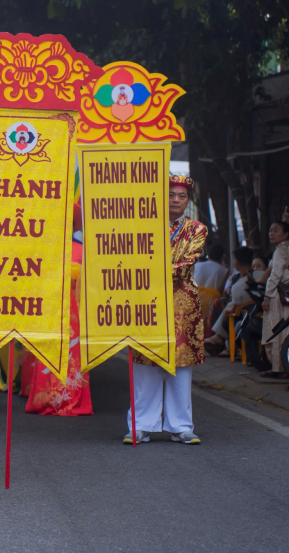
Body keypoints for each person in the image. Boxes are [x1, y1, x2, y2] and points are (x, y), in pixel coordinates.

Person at [126, 175, 207, 445]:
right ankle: (139, 425)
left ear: (188, 200)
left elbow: (187, 263)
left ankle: (182, 426)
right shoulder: (144, 226)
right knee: (145, 364)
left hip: (182, 304)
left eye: (181, 196)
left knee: (180, 367)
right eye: (171, 195)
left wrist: (150, 269)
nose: (175, 200)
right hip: (147, 301)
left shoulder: (197, 229)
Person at [25, 203, 93, 416]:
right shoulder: (43, 249)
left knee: (73, 355)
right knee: (47, 352)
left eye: (69, 222)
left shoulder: (83, 250)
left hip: (75, 312)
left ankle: (71, 397)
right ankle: (45, 397)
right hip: (49, 308)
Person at [205, 247, 262, 356]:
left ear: (236, 262)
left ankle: (221, 340)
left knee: (228, 313)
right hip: (260, 313)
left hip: (244, 317)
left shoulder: (238, 285)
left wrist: (227, 310)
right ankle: (221, 341)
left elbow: (234, 308)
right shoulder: (262, 275)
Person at [261, 221, 289, 377]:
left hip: (277, 295)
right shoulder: (283, 250)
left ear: (286, 234)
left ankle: (278, 368)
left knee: (276, 330)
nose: (271, 233)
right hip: (283, 294)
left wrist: (267, 296)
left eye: (276, 230)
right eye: (270, 230)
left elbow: (275, 276)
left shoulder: (281, 251)